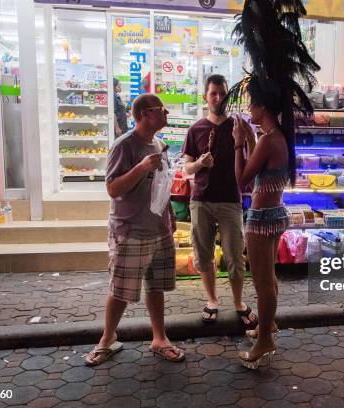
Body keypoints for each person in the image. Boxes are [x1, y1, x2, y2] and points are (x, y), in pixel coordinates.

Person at [225, 0, 320, 369]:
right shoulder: (275, 136)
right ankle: (270, 324)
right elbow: (260, 168)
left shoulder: (268, 139)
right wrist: (249, 137)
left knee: (263, 282)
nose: (248, 108)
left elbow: (242, 179)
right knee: (270, 277)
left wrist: (237, 140)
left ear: (263, 106)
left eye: (251, 104)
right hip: (274, 213)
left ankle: (264, 340)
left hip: (263, 218)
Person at [85, 94, 184, 366]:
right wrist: (141, 168)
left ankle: (159, 337)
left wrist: (170, 215)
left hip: (158, 228)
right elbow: (113, 189)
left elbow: (161, 185)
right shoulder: (124, 146)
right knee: (121, 289)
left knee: (156, 286)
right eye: (160, 110)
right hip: (130, 229)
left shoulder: (160, 145)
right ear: (142, 114)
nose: (166, 113)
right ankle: (107, 339)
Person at [182, 74, 257, 327]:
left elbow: (250, 159)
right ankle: (212, 300)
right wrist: (200, 163)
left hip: (230, 200)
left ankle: (238, 302)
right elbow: (186, 170)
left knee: (235, 255)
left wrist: (247, 137)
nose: (218, 98)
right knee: (204, 255)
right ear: (206, 97)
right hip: (201, 200)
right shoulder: (196, 129)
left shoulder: (237, 125)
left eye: (222, 93)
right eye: (213, 93)